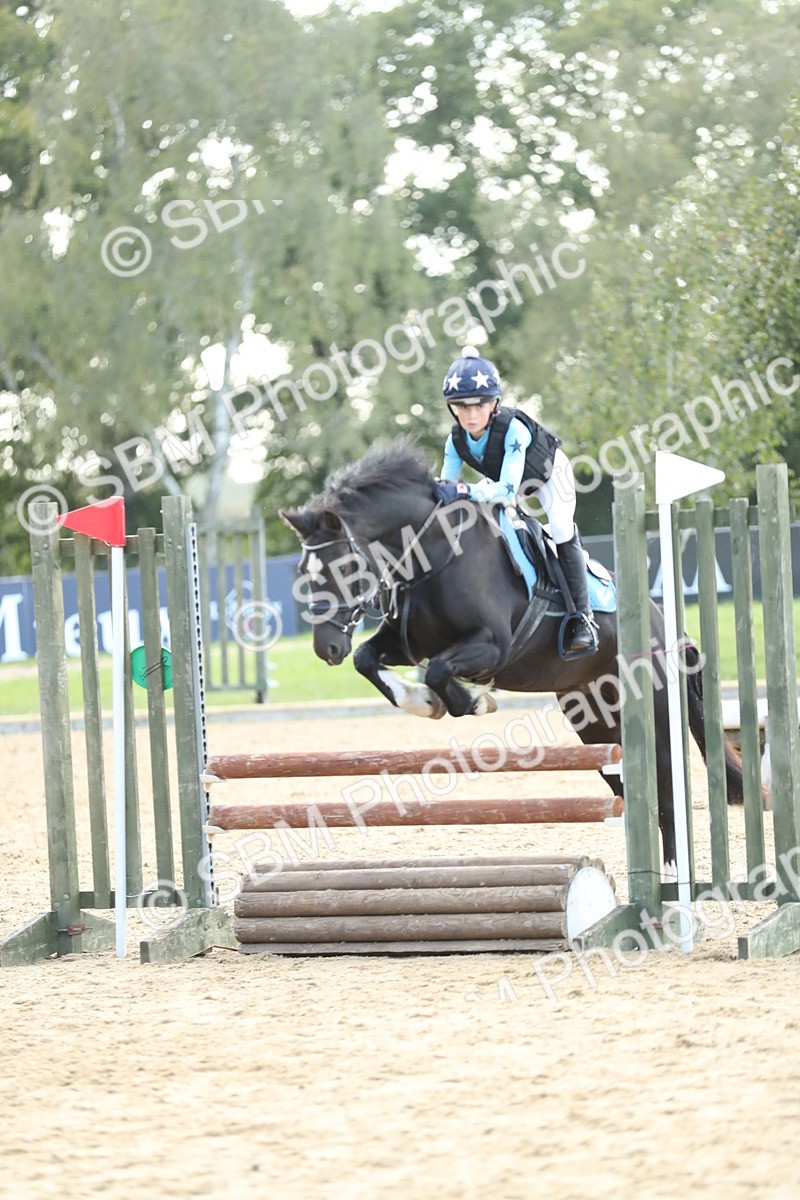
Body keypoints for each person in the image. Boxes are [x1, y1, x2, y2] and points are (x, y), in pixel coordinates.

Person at [435, 346, 599, 656]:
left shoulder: (514, 430)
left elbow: (506, 492)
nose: (470, 415)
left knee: (561, 529)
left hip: (549, 477)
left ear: (494, 403)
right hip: (501, 483)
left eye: (479, 406)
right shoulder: (455, 441)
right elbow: (448, 487)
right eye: (461, 406)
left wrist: (463, 491)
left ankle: (582, 619)